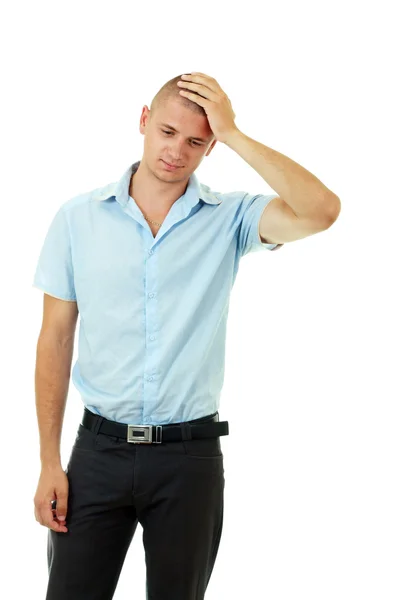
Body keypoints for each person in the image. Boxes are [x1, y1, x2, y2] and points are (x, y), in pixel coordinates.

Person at [32, 72, 340, 600]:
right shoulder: (77, 219)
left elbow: (321, 211)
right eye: (168, 132)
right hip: (97, 453)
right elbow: (54, 341)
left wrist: (236, 133)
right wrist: (47, 462)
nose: (177, 151)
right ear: (145, 121)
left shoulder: (232, 219)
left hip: (188, 460)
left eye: (196, 141)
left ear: (211, 146)